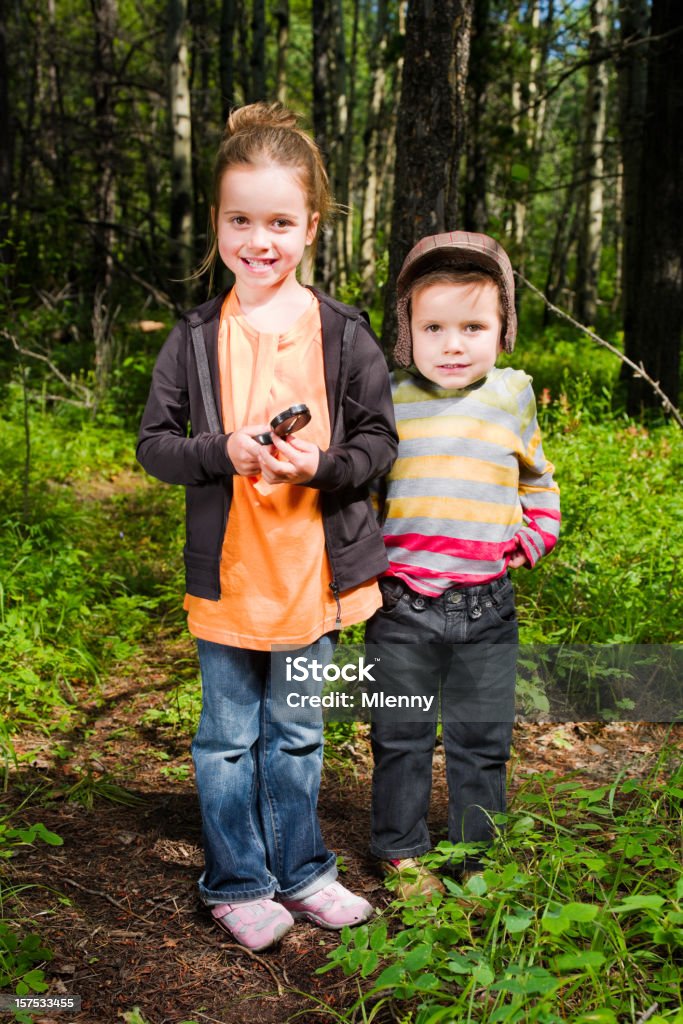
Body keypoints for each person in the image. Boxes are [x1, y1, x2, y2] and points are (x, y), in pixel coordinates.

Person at [137, 102, 397, 951]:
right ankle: (237, 881)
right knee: (226, 738)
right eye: (240, 219)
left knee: (296, 731)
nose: (259, 240)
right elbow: (155, 447)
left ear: (310, 226)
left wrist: (314, 464)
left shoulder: (344, 333)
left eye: (279, 221)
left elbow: (376, 444)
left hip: (312, 576)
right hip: (230, 578)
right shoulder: (192, 337)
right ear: (216, 222)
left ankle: (303, 871)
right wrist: (222, 450)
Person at [365, 231, 560, 898]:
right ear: (406, 332)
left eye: (472, 326)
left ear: (501, 329)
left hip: (486, 603)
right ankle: (400, 851)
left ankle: (475, 854)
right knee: (400, 734)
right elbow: (364, 489)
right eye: (434, 327)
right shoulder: (389, 398)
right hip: (401, 604)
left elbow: (538, 480)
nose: (452, 344)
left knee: (481, 739)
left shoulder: (512, 396)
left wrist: (533, 536)